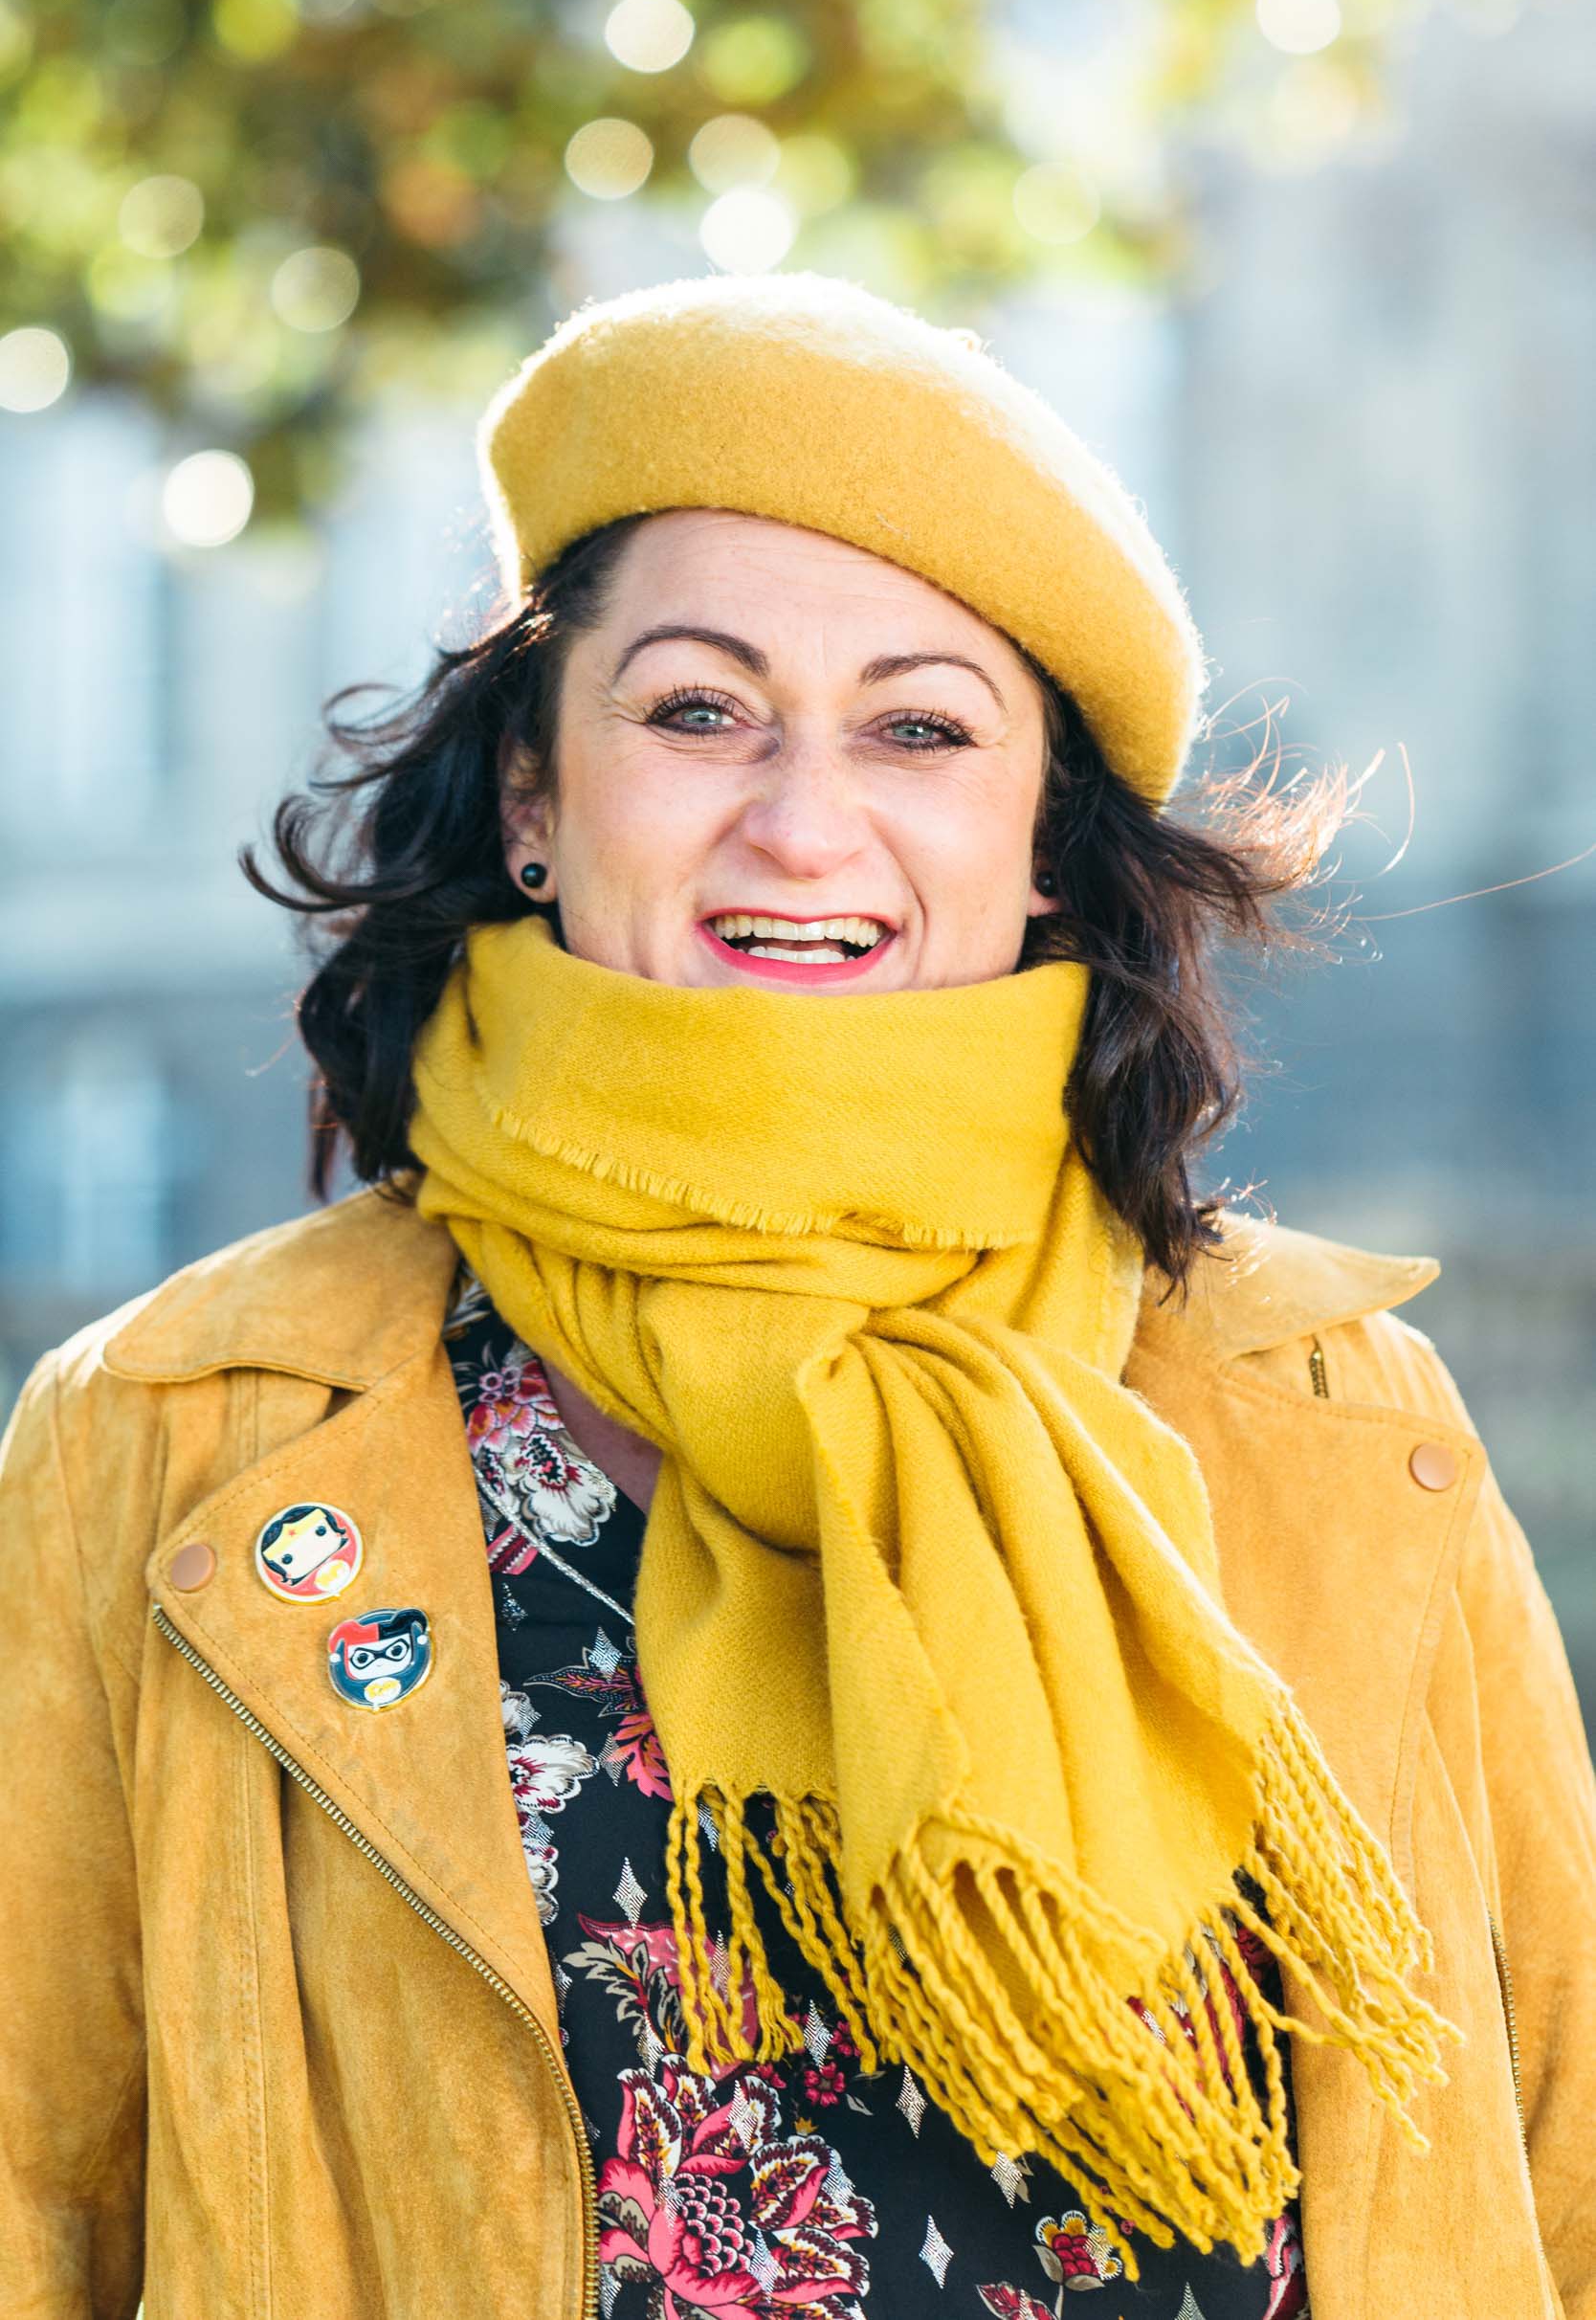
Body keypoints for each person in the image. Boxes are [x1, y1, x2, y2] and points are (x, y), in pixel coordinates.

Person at [2, 271, 1592, 2320]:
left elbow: (1557, 2153)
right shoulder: (177, 1425)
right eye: (695, 708)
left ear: (1037, 841)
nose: (803, 814)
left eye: (921, 727)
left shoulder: (1342, 1407)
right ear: (533, 795)